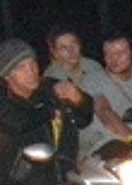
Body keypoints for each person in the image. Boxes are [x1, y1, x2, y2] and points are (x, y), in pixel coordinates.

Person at [0, 37, 95, 185]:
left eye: (33, 64)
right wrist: (53, 105)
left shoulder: (49, 87)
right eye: (21, 68)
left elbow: (84, 119)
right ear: (7, 75)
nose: (31, 72)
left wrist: (79, 98)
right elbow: (19, 122)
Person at [42, 25, 114, 157]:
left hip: (108, 127)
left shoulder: (94, 67)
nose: (71, 51)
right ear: (54, 52)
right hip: (80, 141)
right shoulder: (51, 80)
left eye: (74, 44)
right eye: (63, 48)